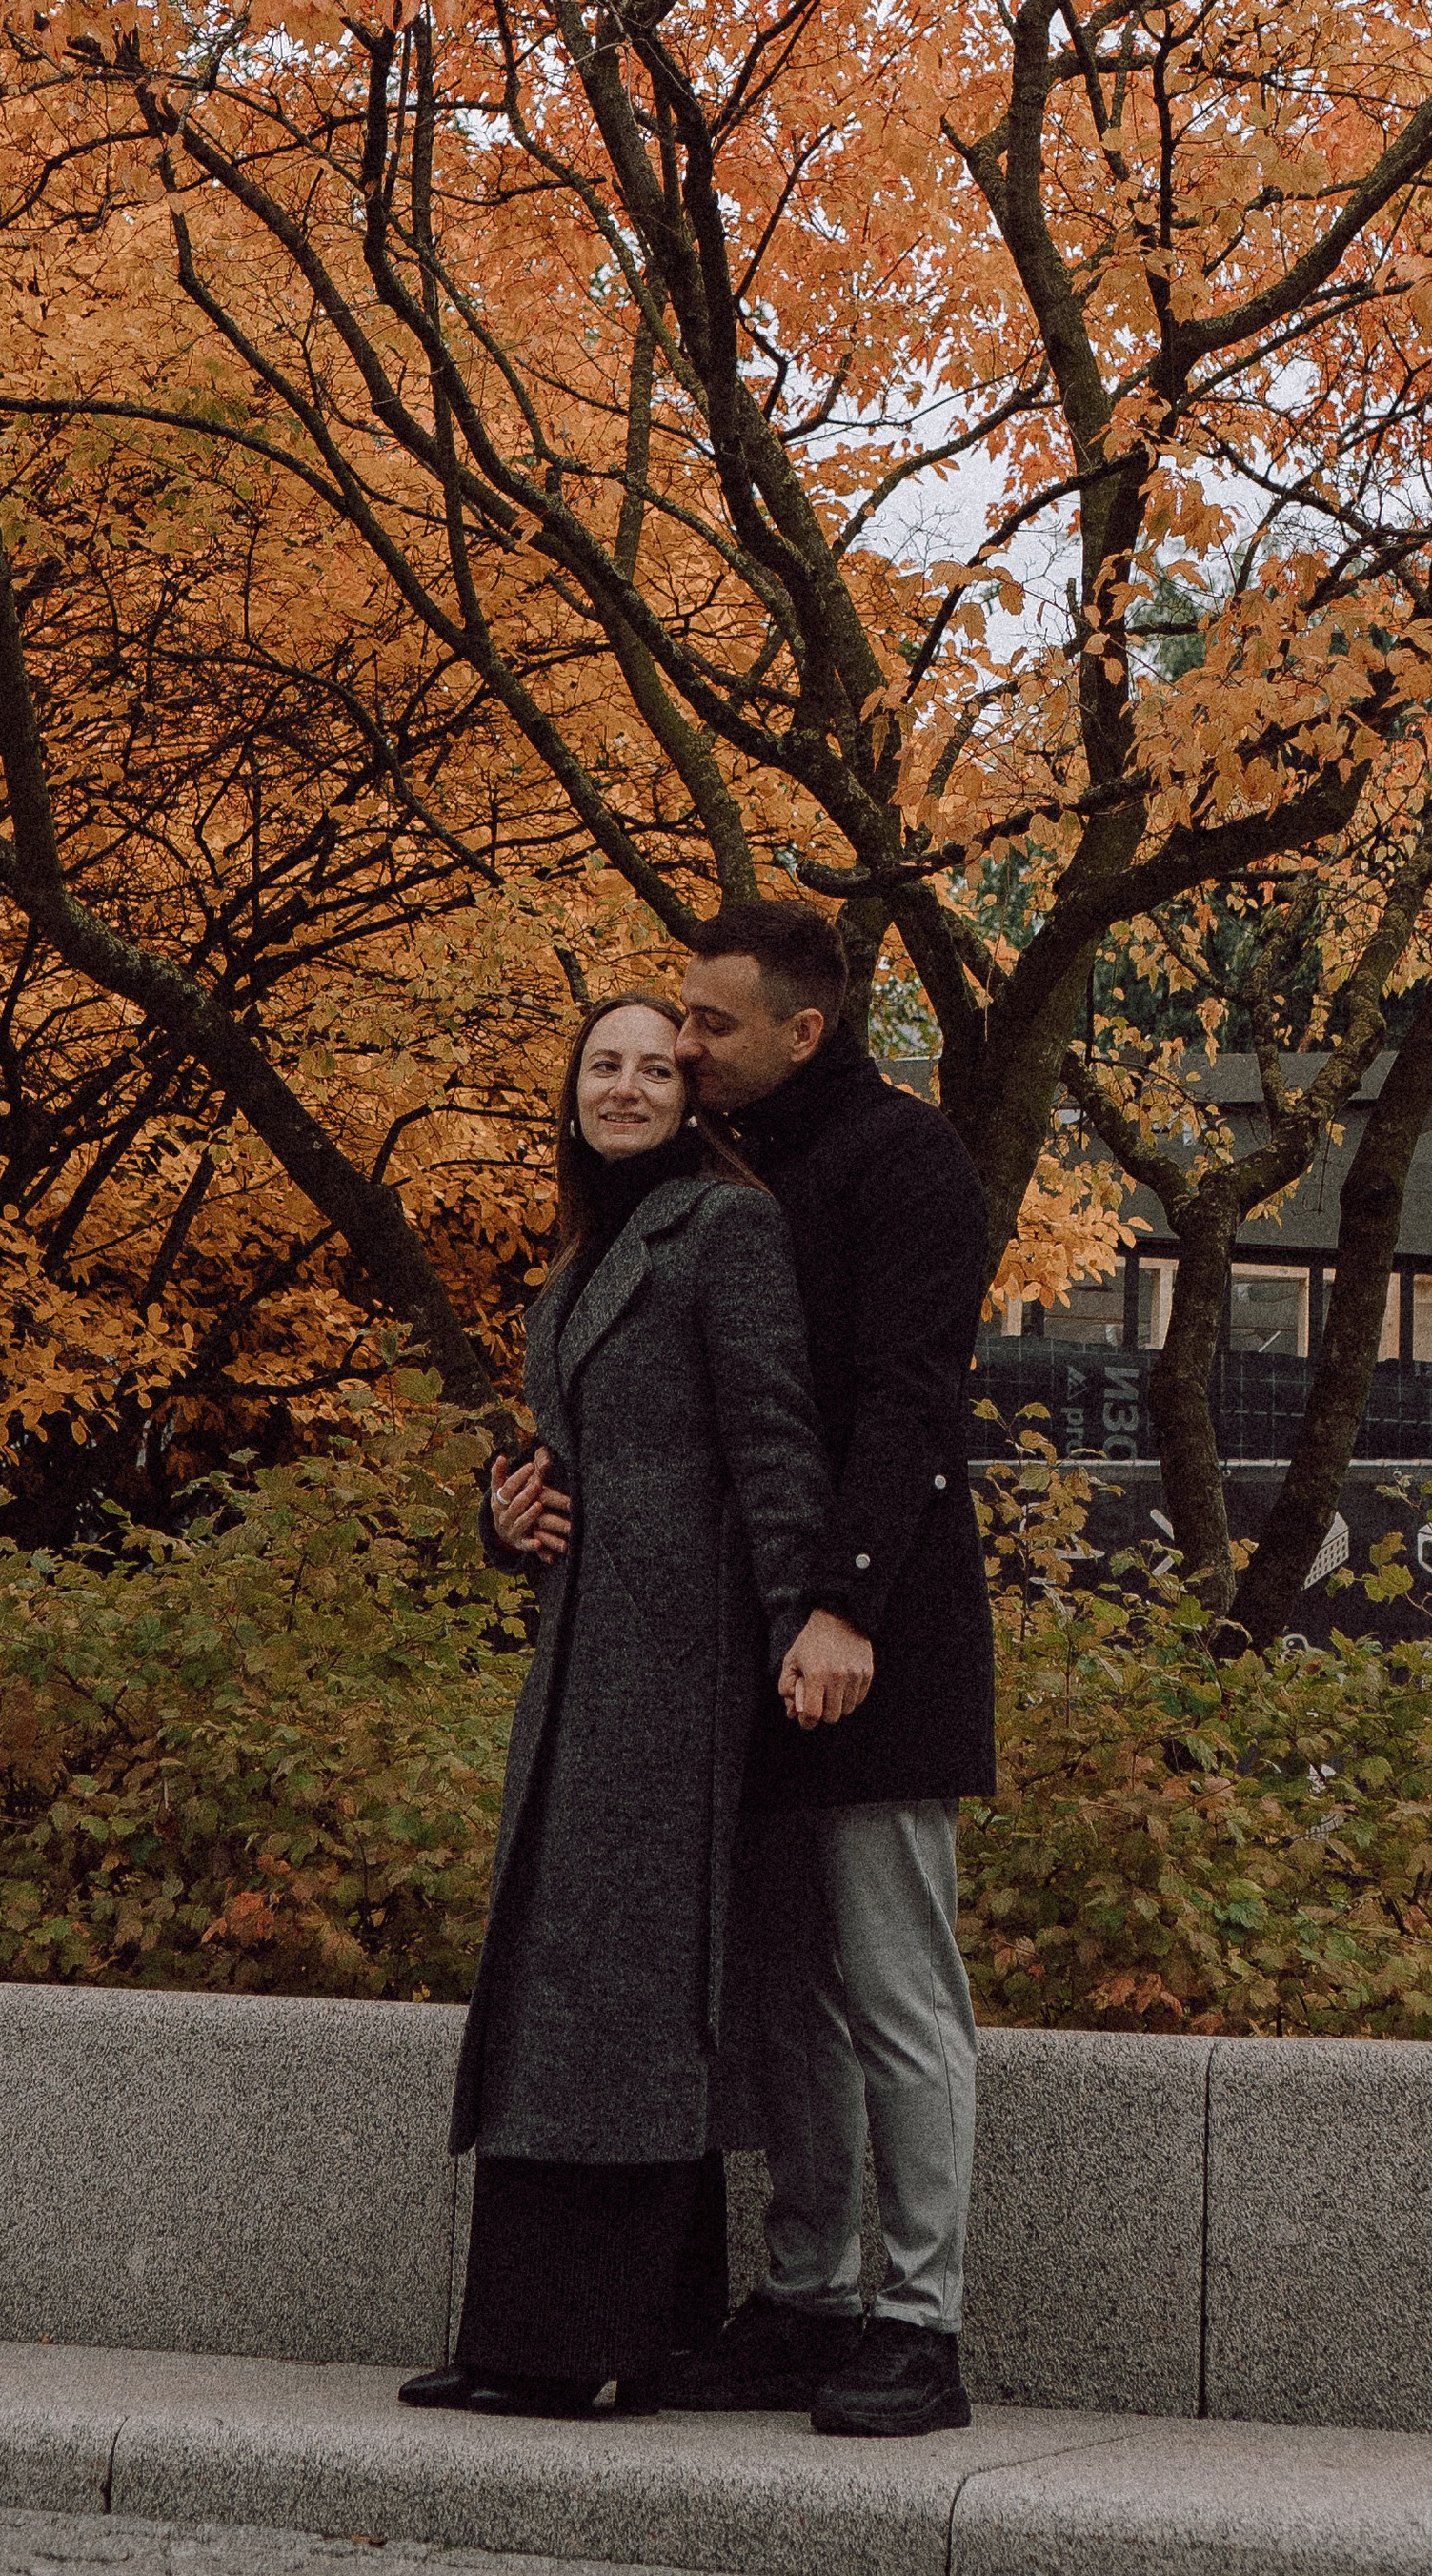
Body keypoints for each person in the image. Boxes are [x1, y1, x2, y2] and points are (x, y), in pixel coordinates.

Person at [402, 992, 868, 2419]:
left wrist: (804, 1627)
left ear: (692, 1095)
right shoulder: (589, 1246)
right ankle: (582, 2335)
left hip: (683, 1664)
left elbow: (776, 1439)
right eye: (601, 1064)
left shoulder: (720, 1231)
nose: (623, 1087)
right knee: (585, 1985)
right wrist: (507, 1516)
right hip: (588, 1659)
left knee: (626, 1994)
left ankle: (565, 2345)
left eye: (653, 1069)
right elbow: (570, 1459)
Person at [666, 900, 994, 2441]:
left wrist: (846, 1609)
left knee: (893, 1985)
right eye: (680, 1017)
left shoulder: (905, 1159)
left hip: (881, 1637)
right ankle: (809, 2299)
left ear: (805, 1029)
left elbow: (910, 1399)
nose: (683, 1043)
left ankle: (919, 2329)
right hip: (741, 1639)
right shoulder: (710, 1168)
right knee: (783, 1996)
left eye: (714, 1023)